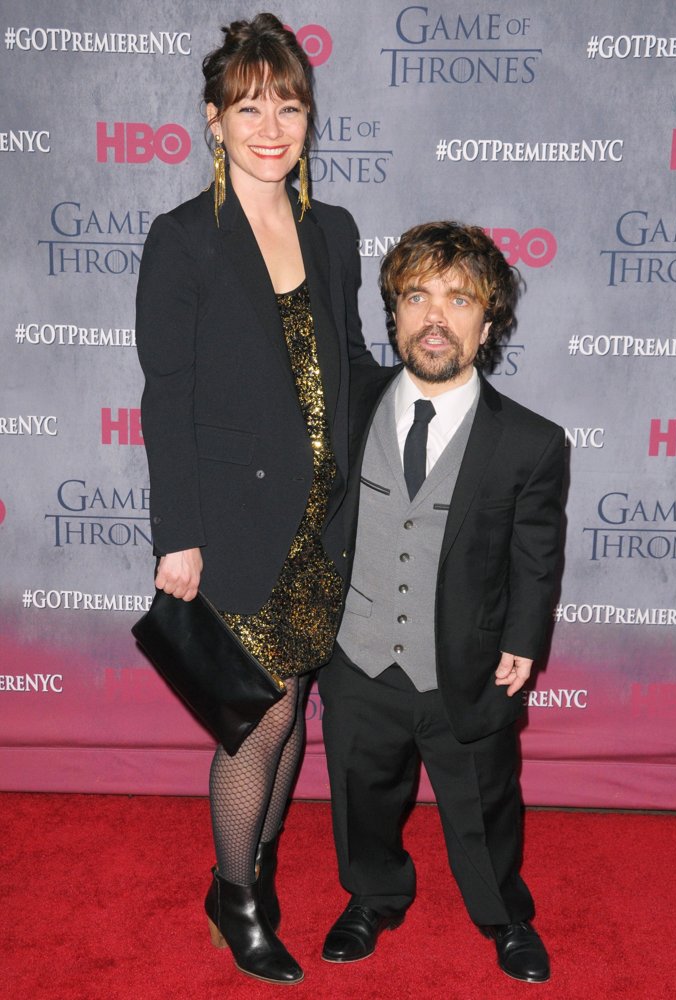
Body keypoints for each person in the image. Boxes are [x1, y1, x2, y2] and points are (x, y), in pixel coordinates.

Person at [135, 13, 372, 986]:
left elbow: (348, 362)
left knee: (295, 705)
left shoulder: (333, 230)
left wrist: (431, 400)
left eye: (288, 106)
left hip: (323, 521)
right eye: (248, 108)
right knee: (258, 718)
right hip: (233, 523)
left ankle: (255, 872)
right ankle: (234, 898)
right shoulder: (184, 239)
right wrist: (178, 535)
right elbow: (166, 396)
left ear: (309, 117)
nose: (270, 127)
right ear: (213, 119)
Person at [318, 221, 565, 984]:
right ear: (393, 313)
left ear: (488, 324)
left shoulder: (531, 442)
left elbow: (535, 555)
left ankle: (504, 915)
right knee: (361, 795)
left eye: (460, 300)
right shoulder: (347, 403)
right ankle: (373, 896)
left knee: (484, 806)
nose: (435, 317)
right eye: (417, 296)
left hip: (467, 663)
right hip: (356, 656)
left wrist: (524, 638)